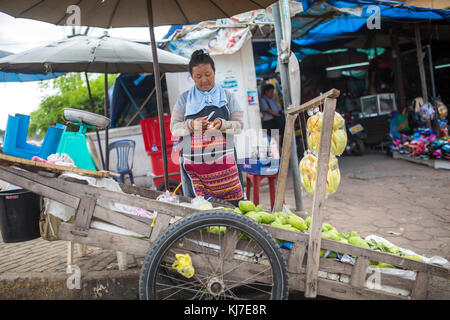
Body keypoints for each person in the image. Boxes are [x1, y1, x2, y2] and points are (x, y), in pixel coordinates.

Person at [170, 49, 245, 206]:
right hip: (194, 168)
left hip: (226, 166)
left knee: (233, 207)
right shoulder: (184, 99)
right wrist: (192, 125)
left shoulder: (227, 96)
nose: (204, 80)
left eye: (208, 74)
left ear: (214, 73)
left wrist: (223, 125)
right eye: (198, 76)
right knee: (198, 207)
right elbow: (174, 128)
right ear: (192, 77)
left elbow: (239, 126)